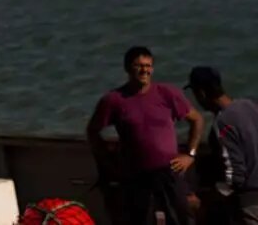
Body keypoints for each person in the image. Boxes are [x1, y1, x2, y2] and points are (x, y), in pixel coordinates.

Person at [86, 45, 204, 225]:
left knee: (183, 218)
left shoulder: (167, 93)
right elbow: (92, 131)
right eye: (138, 65)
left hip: (170, 171)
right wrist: (108, 161)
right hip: (135, 175)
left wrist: (190, 154)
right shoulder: (114, 100)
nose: (144, 70)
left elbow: (197, 120)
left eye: (148, 66)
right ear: (127, 68)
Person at [185, 66, 258, 225]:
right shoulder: (251, 106)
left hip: (250, 202)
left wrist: (206, 201)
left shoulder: (223, 123)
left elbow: (234, 176)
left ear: (201, 93)